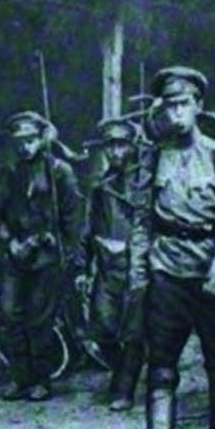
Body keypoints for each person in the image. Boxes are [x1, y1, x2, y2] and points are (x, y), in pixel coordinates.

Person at [125, 66, 215, 429]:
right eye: (170, 104)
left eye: (184, 104)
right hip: (167, 273)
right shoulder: (154, 155)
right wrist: (139, 273)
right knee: (160, 365)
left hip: (211, 276)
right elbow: (142, 220)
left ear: (198, 106)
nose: (176, 113)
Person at [0, 111, 82, 402]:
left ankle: (41, 380)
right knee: (9, 314)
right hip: (14, 252)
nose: (25, 146)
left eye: (30, 140)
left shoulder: (60, 171)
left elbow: (73, 217)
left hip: (47, 256)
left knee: (40, 318)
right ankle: (19, 378)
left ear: (42, 139)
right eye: (20, 141)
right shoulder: (12, 173)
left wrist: (68, 253)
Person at [81, 115, 146, 408]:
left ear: (133, 147)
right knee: (103, 328)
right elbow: (89, 228)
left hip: (139, 267)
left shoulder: (147, 184)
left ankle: (124, 389)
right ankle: (122, 371)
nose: (116, 153)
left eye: (121, 146)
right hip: (108, 267)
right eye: (111, 147)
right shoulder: (101, 187)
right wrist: (83, 266)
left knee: (134, 332)